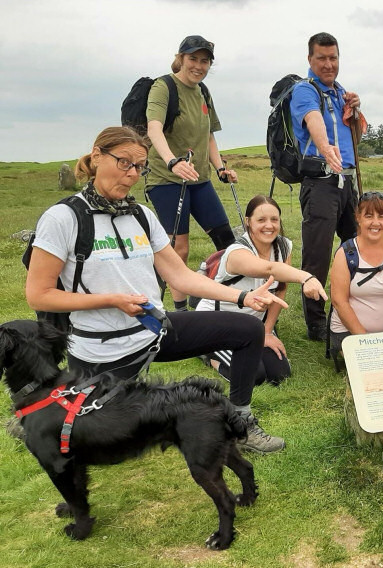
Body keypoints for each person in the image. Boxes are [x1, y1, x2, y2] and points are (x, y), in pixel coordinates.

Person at [25, 126, 287, 455]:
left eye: (140, 167)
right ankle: (45, 414)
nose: (133, 174)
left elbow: (180, 277)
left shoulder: (141, 215)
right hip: (102, 351)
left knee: (249, 328)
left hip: (153, 330)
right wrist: (111, 301)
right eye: (124, 163)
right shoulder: (63, 219)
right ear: (97, 156)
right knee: (82, 435)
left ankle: (240, 424)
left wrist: (242, 297)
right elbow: (39, 294)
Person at [146, 35, 238, 311]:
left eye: (204, 61)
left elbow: (208, 135)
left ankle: (226, 299)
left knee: (227, 242)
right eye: (193, 59)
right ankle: (180, 312)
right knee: (179, 248)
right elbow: (154, 128)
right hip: (166, 179)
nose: (198, 65)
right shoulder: (164, 87)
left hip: (199, 180)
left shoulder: (203, 92)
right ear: (181, 58)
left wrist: (220, 168)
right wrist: (173, 161)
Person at [195, 195, 327, 385]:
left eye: (274, 219)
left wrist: (266, 332)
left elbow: (280, 291)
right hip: (218, 322)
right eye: (261, 220)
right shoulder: (237, 253)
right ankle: (207, 351)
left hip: (254, 324)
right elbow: (270, 269)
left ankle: (252, 342)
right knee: (253, 376)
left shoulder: (284, 246)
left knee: (279, 374)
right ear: (248, 222)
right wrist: (306, 277)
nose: (269, 225)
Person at [290, 32, 361, 341]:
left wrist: (355, 112)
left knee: (356, 248)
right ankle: (317, 324)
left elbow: (358, 136)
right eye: (322, 58)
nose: (328, 64)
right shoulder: (304, 90)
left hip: (347, 181)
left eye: (333, 58)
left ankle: (353, 308)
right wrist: (326, 148)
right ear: (310, 60)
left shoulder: (341, 92)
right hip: (319, 181)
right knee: (317, 256)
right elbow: (313, 120)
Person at [329, 192, 383, 354]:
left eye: (382, 217)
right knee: (373, 366)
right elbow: (339, 302)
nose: (375, 223)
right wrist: (366, 341)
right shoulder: (345, 254)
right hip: (350, 333)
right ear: (358, 218)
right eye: (369, 216)